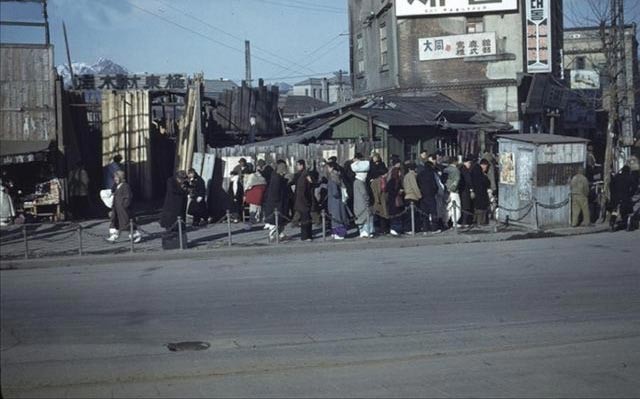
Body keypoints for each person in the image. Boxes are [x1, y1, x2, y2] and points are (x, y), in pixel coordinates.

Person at [107, 170, 141, 243]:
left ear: (121, 177)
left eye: (117, 177)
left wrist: (124, 206)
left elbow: (128, 197)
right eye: (114, 177)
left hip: (123, 210)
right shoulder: (116, 186)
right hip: (117, 209)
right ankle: (114, 236)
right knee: (115, 222)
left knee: (127, 223)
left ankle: (135, 235)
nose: (115, 179)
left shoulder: (125, 186)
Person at [263, 160, 290, 242]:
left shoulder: (277, 177)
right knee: (274, 222)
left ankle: (281, 234)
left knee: (280, 221)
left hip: (278, 203)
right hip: (276, 204)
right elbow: (275, 192)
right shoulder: (276, 178)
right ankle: (271, 236)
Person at [351, 153, 374, 238]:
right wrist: (368, 199)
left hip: (360, 204)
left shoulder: (357, 182)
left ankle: (365, 231)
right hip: (362, 204)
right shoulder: (359, 182)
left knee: (363, 217)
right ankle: (366, 231)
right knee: (365, 217)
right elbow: (364, 193)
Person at [417, 154, 441, 234]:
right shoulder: (431, 174)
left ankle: (425, 228)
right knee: (433, 212)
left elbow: (418, 183)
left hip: (423, 195)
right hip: (431, 195)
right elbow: (435, 185)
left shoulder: (420, 174)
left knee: (424, 213)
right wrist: (435, 191)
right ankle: (434, 228)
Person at [291, 160, 314, 241]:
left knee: (305, 219)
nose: (297, 167)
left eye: (298, 165)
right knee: (305, 218)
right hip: (303, 200)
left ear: (302, 166)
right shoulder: (302, 175)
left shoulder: (303, 176)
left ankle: (306, 236)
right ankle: (307, 235)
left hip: (302, 200)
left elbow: (303, 189)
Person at [326, 161, 349, 240]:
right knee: (339, 217)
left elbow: (335, 191)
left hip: (335, 201)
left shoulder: (332, 177)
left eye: (328, 167)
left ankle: (339, 233)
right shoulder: (338, 175)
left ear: (331, 167)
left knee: (337, 217)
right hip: (339, 200)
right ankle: (338, 233)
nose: (327, 169)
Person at [368, 152, 389, 235]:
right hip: (374, 186)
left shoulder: (382, 164)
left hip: (382, 185)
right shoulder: (370, 165)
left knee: (383, 208)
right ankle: (377, 226)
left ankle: (384, 227)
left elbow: (385, 171)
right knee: (377, 207)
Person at [386, 156, 404, 236]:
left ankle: (397, 229)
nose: (400, 173)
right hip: (393, 200)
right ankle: (393, 228)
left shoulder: (398, 181)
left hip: (397, 200)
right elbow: (390, 190)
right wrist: (398, 191)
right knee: (394, 215)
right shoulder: (392, 181)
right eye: (399, 172)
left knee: (398, 215)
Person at [402, 161, 421, 234]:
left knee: (408, 214)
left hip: (407, 195)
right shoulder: (412, 175)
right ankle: (409, 229)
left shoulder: (406, 176)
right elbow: (414, 187)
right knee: (411, 215)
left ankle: (409, 228)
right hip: (412, 196)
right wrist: (419, 195)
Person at [471, 159, 491, 225]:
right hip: (481, 193)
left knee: (477, 207)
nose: (486, 168)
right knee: (481, 207)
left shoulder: (474, 170)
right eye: (486, 166)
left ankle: (476, 220)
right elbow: (486, 182)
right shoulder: (480, 173)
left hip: (477, 193)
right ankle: (481, 221)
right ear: (483, 165)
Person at [443, 156, 461, 228]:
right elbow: (456, 181)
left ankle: (445, 221)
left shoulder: (445, 170)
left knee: (447, 207)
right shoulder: (456, 170)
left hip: (446, 191)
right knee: (456, 207)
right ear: (455, 161)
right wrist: (452, 189)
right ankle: (455, 222)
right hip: (454, 191)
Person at [459, 155, 475, 226]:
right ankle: (464, 222)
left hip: (462, 190)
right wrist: (471, 189)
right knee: (466, 206)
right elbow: (469, 180)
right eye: (469, 163)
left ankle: (464, 221)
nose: (470, 164)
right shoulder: (465, 170)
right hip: (465, 190)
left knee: (464, 206)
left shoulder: (460, 169)